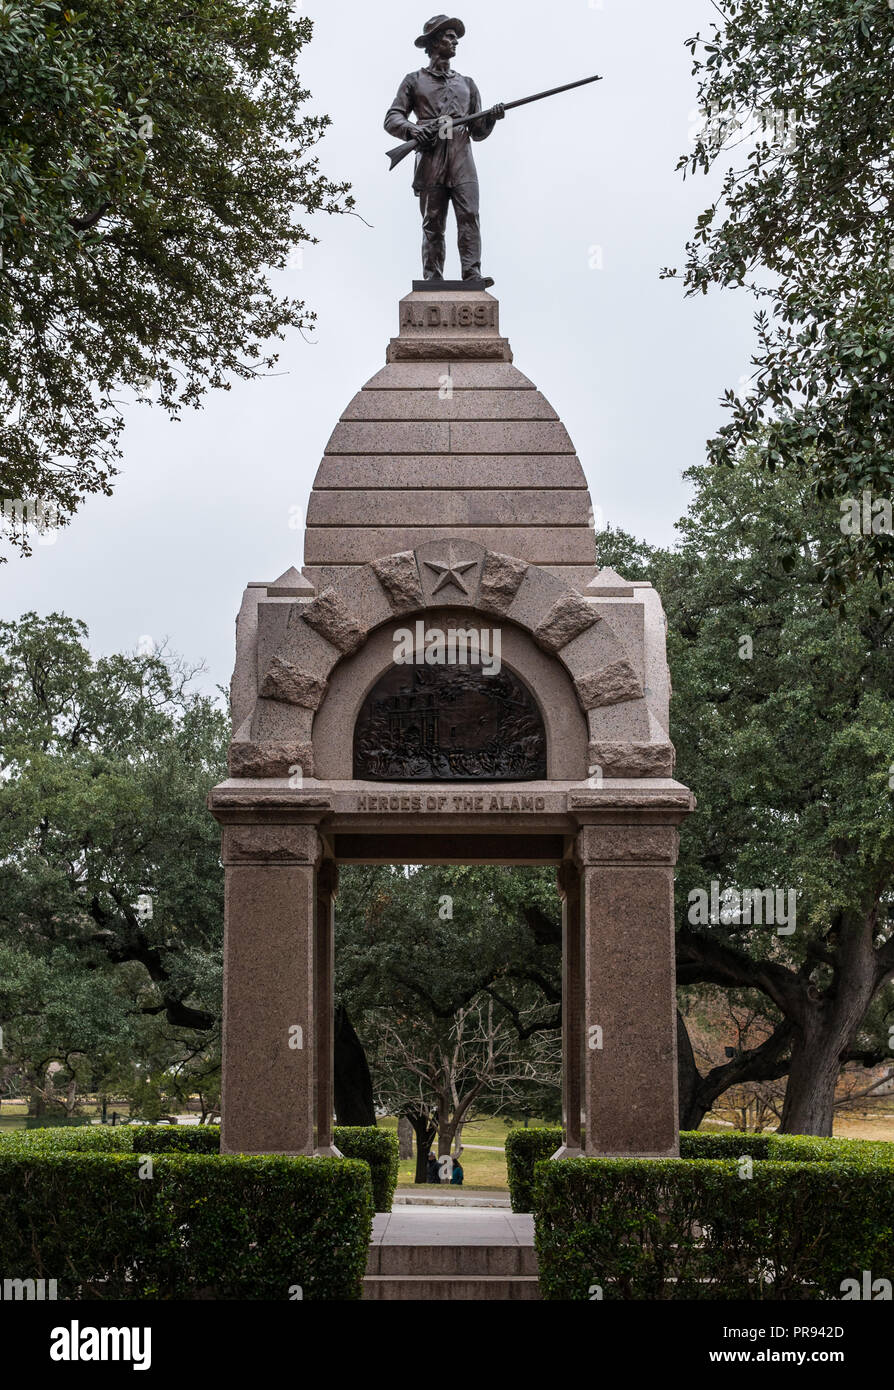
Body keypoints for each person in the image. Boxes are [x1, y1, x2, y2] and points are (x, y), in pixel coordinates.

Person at [385, 15, 505, 284]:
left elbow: (478, 131)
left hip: (462, 154)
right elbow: (392, 118)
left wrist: (491, 119)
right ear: (434, 42)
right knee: (433, 222)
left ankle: (472, 274)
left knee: (469, 215)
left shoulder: (468, 84)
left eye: (455, 37)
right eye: (449, 36)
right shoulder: (414, 80)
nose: (455, 42)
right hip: (431, 157)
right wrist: (415, 130)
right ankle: (432, 278)